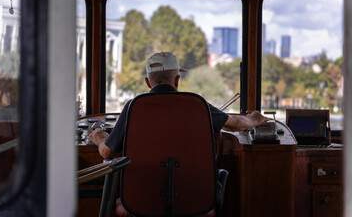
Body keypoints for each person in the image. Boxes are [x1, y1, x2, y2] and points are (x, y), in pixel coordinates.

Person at [88, 52, 269, 159]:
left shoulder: (133, 107)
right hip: (194, 197)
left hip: (142, 198)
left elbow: (107, 152)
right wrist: (255, 118)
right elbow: (237, 124)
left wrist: (100, 137)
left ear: (148, 82)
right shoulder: (196, 105)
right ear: (177, 80)